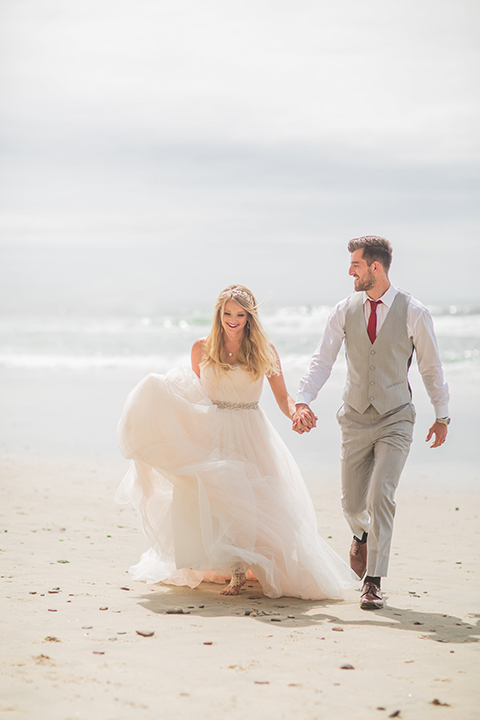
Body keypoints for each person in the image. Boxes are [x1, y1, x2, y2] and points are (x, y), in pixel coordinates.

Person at [116, 284, 355, 600]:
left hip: (250, 431)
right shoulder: (201, 348)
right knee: (216, 498)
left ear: (249, 317)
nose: (232, 320)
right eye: (227, 313)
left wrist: (298, 411)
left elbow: (283, 398)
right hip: (212, 429)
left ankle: (244, 565)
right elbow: (196, 394)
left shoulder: (263, 350)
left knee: (250, 500)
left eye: (240, 314)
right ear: (219, 313)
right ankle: (234, 568)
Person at [292, 237, 450, 610]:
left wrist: (441, 415)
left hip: (396, 417)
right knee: (350, 503)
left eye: (356, 265)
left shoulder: (414, 312)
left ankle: (373, 582)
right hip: (355, 418)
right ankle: (361, 535)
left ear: (375, 268)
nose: (350, 271)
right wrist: (302, 400)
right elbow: (322, 361)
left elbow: (431, 367)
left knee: (381, 495)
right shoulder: (343, 310)